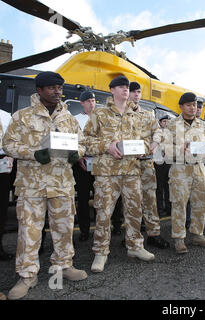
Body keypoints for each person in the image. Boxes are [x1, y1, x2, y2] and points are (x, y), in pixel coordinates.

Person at [4, 71, 88, 300]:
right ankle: (27, 275)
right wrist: (33, 154)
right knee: (29, 231)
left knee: (64, 228)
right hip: (32, 185)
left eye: (60, 87)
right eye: (51, 87)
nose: (57, 91)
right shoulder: (22, 116)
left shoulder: (69, 119)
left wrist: (76, 154)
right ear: (39, 90)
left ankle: (63, 266)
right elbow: (8, 144)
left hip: (61, 183)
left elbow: (82, 143)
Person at [83, 75, 155, 273]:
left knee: (134, 210)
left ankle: (135, 247)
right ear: (112, 90)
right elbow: (85, 141)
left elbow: (146, 139)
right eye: (121, 87)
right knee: (104, 212)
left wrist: (144, 148)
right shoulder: (99, 114)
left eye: (127, 87)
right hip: (107, 173)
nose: (125, 90)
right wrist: (107, 146)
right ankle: (100, 251)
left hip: (131, 171)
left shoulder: (136, 115)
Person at [164, 92, 205, 254]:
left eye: (194, 105)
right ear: (181, 107)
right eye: (189, 105)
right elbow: (164, 148)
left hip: (199, 168)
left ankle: (197, 234)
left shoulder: (202, 125)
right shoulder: (172, 125)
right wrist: (180, 149)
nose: (193, 108)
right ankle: (179, 238)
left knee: (200, 202)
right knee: (179, 204)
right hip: (180, 168)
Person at [129, 81, 169, 249]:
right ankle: (132, 238)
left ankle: (154, 234)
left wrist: (155, 143)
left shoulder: (147, 115)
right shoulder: (120, 114)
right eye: (133, 92)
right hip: (127, 164)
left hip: (146, 164)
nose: (136, 95)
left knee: (150, 200)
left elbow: (157, 131)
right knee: (131, 202)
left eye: (138, 92)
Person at [73, 91, 97, 241]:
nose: (91, 103)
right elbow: (71, 140)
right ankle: (84, 230)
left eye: (93, 100)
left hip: (100, 163)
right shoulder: (74, 120)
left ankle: (105, 228)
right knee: (82, 199)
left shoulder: (102, 118)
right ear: (82, 103)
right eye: (88, 101)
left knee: (101, 198)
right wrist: (78, 157)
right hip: (81, 164)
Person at [0, 109, 14, 261]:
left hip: (2, 164)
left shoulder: (5, 116)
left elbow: (11, 142)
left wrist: (10, 156)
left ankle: (0, 249)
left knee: (1, 210)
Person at [154, 115, 171, 217]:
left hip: (168, 163)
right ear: (160, 123)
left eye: (167, 121)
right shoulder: (156, 133)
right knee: (159, 187)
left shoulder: (171, 134)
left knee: (168, 186)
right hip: (158, 162)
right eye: (164, 121)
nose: (166, 123)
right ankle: (159, 209)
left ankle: (169, 208)